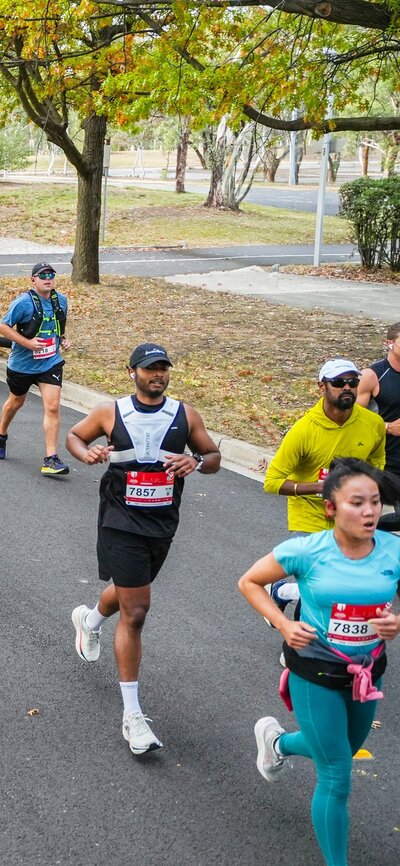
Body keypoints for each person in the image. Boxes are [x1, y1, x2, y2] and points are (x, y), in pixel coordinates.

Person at [238, 457, 400, 866]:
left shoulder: (394, 550)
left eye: (375, 503)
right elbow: (249, 581)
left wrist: (396, 623)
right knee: (337, 775)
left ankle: (277, 743)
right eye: (357, 503)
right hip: (314, 672)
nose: (369, 512)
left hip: (366, 673)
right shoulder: (306, 551)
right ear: (331, 507)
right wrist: (282, 625)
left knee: (342, 749)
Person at [66, 342, 221, 756]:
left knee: (131, 588)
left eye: (164, 368)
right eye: (150, 368)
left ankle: (91, 621)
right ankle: (133, 716)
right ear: (131, 372)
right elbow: (74, 437)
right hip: (119, 520)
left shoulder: (185, 415)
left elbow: (213, 455)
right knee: (136, 611)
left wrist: (197, 463)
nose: (159, 375)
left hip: (161, 523)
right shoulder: (110, 411)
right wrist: (87, 453)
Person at [263, 358, 386, 628]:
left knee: (341, 583)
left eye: (353, 383)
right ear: (322, 386)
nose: (347, 388)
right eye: (338, 382)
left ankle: (283, 591)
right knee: (320, 586)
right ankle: (300, 651)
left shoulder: (373, 423)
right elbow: (272, 482)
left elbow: (377, 461)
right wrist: (322, 488)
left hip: (350, 518)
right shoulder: (304, 430)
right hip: (310, 517)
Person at [0, 262, 70, 474]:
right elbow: (3, 326)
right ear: (33, 280)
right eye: (43, 275)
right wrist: (28, 343)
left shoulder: (61, 301)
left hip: (50, 363)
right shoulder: (23, 303)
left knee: (53, 406)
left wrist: (64, 339)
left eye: (51, 275)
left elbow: (59, 326)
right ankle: (1, 435)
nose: (48, 278)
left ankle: (50, 458)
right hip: (22, 365)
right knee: (16, 402)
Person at [357, 322, 400, 476]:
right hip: (385, 465)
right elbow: (352, 421)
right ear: (390, 344)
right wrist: (387, 427)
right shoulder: (371, 376)